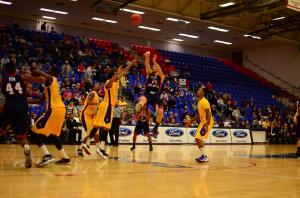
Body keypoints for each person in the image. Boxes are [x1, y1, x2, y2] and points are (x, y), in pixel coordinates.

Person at [82, 60, 136, 159]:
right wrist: (118, 72)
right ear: (112, 76)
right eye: (116, 75)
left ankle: (86, 143)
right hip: (107, 106)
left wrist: (131, 63)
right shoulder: (109, 83)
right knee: (105, 127)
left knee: (98, 126)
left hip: (106, 106)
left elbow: (124, 72)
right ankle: (101, 149)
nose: (118, 75)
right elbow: (117, 76)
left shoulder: (115, 83)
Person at [0, 61, 45, 168]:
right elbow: (43, 80)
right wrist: (31, 75)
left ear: (5, 71)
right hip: (22, 108)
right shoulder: (23, 78)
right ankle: (26, 147)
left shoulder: (3, 80)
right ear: (15, 69)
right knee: (22, 136)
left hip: (9, 107)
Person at [30, 64, 70, 167]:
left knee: (34, 131)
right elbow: (40, 100)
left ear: (52, 72)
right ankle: (65, 157)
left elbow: (37, 73)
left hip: (54, 109)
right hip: (61, 109)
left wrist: (34, 69)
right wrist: (25, 100)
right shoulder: (52, 84)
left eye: (49, 70)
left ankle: (47, 155)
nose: (48, 71)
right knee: (53, 135)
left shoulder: (51, 78)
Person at [135, 51, 165, 138]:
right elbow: (147, 65)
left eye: (155, 66)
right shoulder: (149, 73)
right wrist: (147, 57)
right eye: (153, 66)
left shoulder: (161, 76)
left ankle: (155, 127)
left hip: (155, 95)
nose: (154, 67)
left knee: (160, 111)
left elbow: (160, 71)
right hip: (147, 93)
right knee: (143, 100)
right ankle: (138, 106)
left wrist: (155, 62)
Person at [77, 83, 100, 157]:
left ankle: (99, 149)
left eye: (98, 85)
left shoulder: (97, 96)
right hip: (85, 115)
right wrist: (98, 103)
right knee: (90, 133)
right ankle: (81, 147)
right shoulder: (92, 93)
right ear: (93, 87)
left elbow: (95, 108)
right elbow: (89, 102)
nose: (97, 86)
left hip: (92, 116)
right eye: (96, 85)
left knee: (96, 134)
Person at [193, 86, 214, 163]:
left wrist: (206, 125)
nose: (197, 91)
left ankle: (205, 156)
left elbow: (209, 114)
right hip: (203, 122)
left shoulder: (204, 101)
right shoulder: (199, 102)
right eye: (198, 90)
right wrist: (191, 121)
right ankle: (203, 155)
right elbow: (198, 115)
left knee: (198, 138)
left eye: (199, 90)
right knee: (198, 138)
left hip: (207, 122)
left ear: (203, 93)